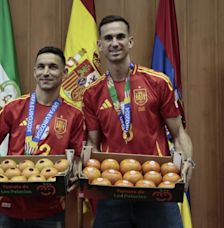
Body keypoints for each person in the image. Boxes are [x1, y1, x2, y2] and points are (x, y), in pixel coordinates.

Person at [82, 15, 194, 228]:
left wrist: (187, 162)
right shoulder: (92, 93)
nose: (115, 42)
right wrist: (84, 164)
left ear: (130, 42)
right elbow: (92, 143)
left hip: (157, 187)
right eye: (108, 38)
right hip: (112, 189)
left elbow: (179, 133)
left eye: (120, 36)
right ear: (100, 46)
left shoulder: (157, 82)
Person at [0, 46, 85, 228]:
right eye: (41, 67)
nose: (46, 72)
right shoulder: (13, 107)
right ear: (34, 71)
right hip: (8, 208)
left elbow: (76, 157)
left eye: (53, 67)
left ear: (64, 72)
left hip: (50, 210)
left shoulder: (74, 114)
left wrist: (75, 173)